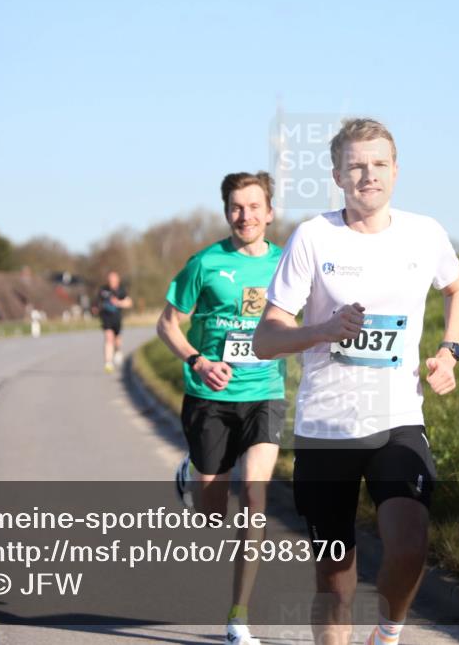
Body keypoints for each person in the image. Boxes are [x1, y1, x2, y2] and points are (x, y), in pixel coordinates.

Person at [253, 118, 459, 645]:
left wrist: (449, 351)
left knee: (410, 546)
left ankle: (387, 634)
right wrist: (322, 330)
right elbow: (265, 339)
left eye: (378, 164)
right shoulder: (313, 237)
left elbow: (458, 288)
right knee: (335, 580)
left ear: (395, 170)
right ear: (337, 176)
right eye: (355, 166)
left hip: (398, 419)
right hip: (326, 428)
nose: (368, 175)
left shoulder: (425, 233)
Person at [156, 171, 286, 645]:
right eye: (236, 207)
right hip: (209, 396)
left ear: (269, 213)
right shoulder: (205, 263)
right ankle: (193, 469)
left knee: (254, 495)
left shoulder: (287, 263)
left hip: (264, 393)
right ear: (226, 212)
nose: (244, 216)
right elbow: (167, 324)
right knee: (212, 515)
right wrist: (198, 360)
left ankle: (238, 617)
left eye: (253, 207)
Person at [97, 271, 133, 372]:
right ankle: (108, 363)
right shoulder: (103, 290)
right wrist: (96, 308)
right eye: (110, 280)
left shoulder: (121, 290)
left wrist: (118, 303)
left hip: (117, 318)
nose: (111, 282)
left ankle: (117, 351)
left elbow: (129, 303)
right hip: (106, 318)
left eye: (113, 280)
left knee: (117, 339)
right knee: (108, 338)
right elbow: (97, 302)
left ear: (117, 280)